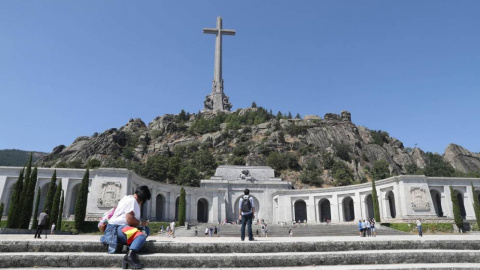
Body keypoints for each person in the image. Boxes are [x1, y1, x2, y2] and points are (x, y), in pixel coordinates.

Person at [101, 185, 151, 269]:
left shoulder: (127, 198)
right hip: (118, 228)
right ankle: (130, 256)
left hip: (119, 227)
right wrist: (141, 223)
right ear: (143, 199)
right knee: (141, 235)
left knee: (146, 230)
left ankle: (127, 245)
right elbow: (129, 219)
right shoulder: (132, 201)